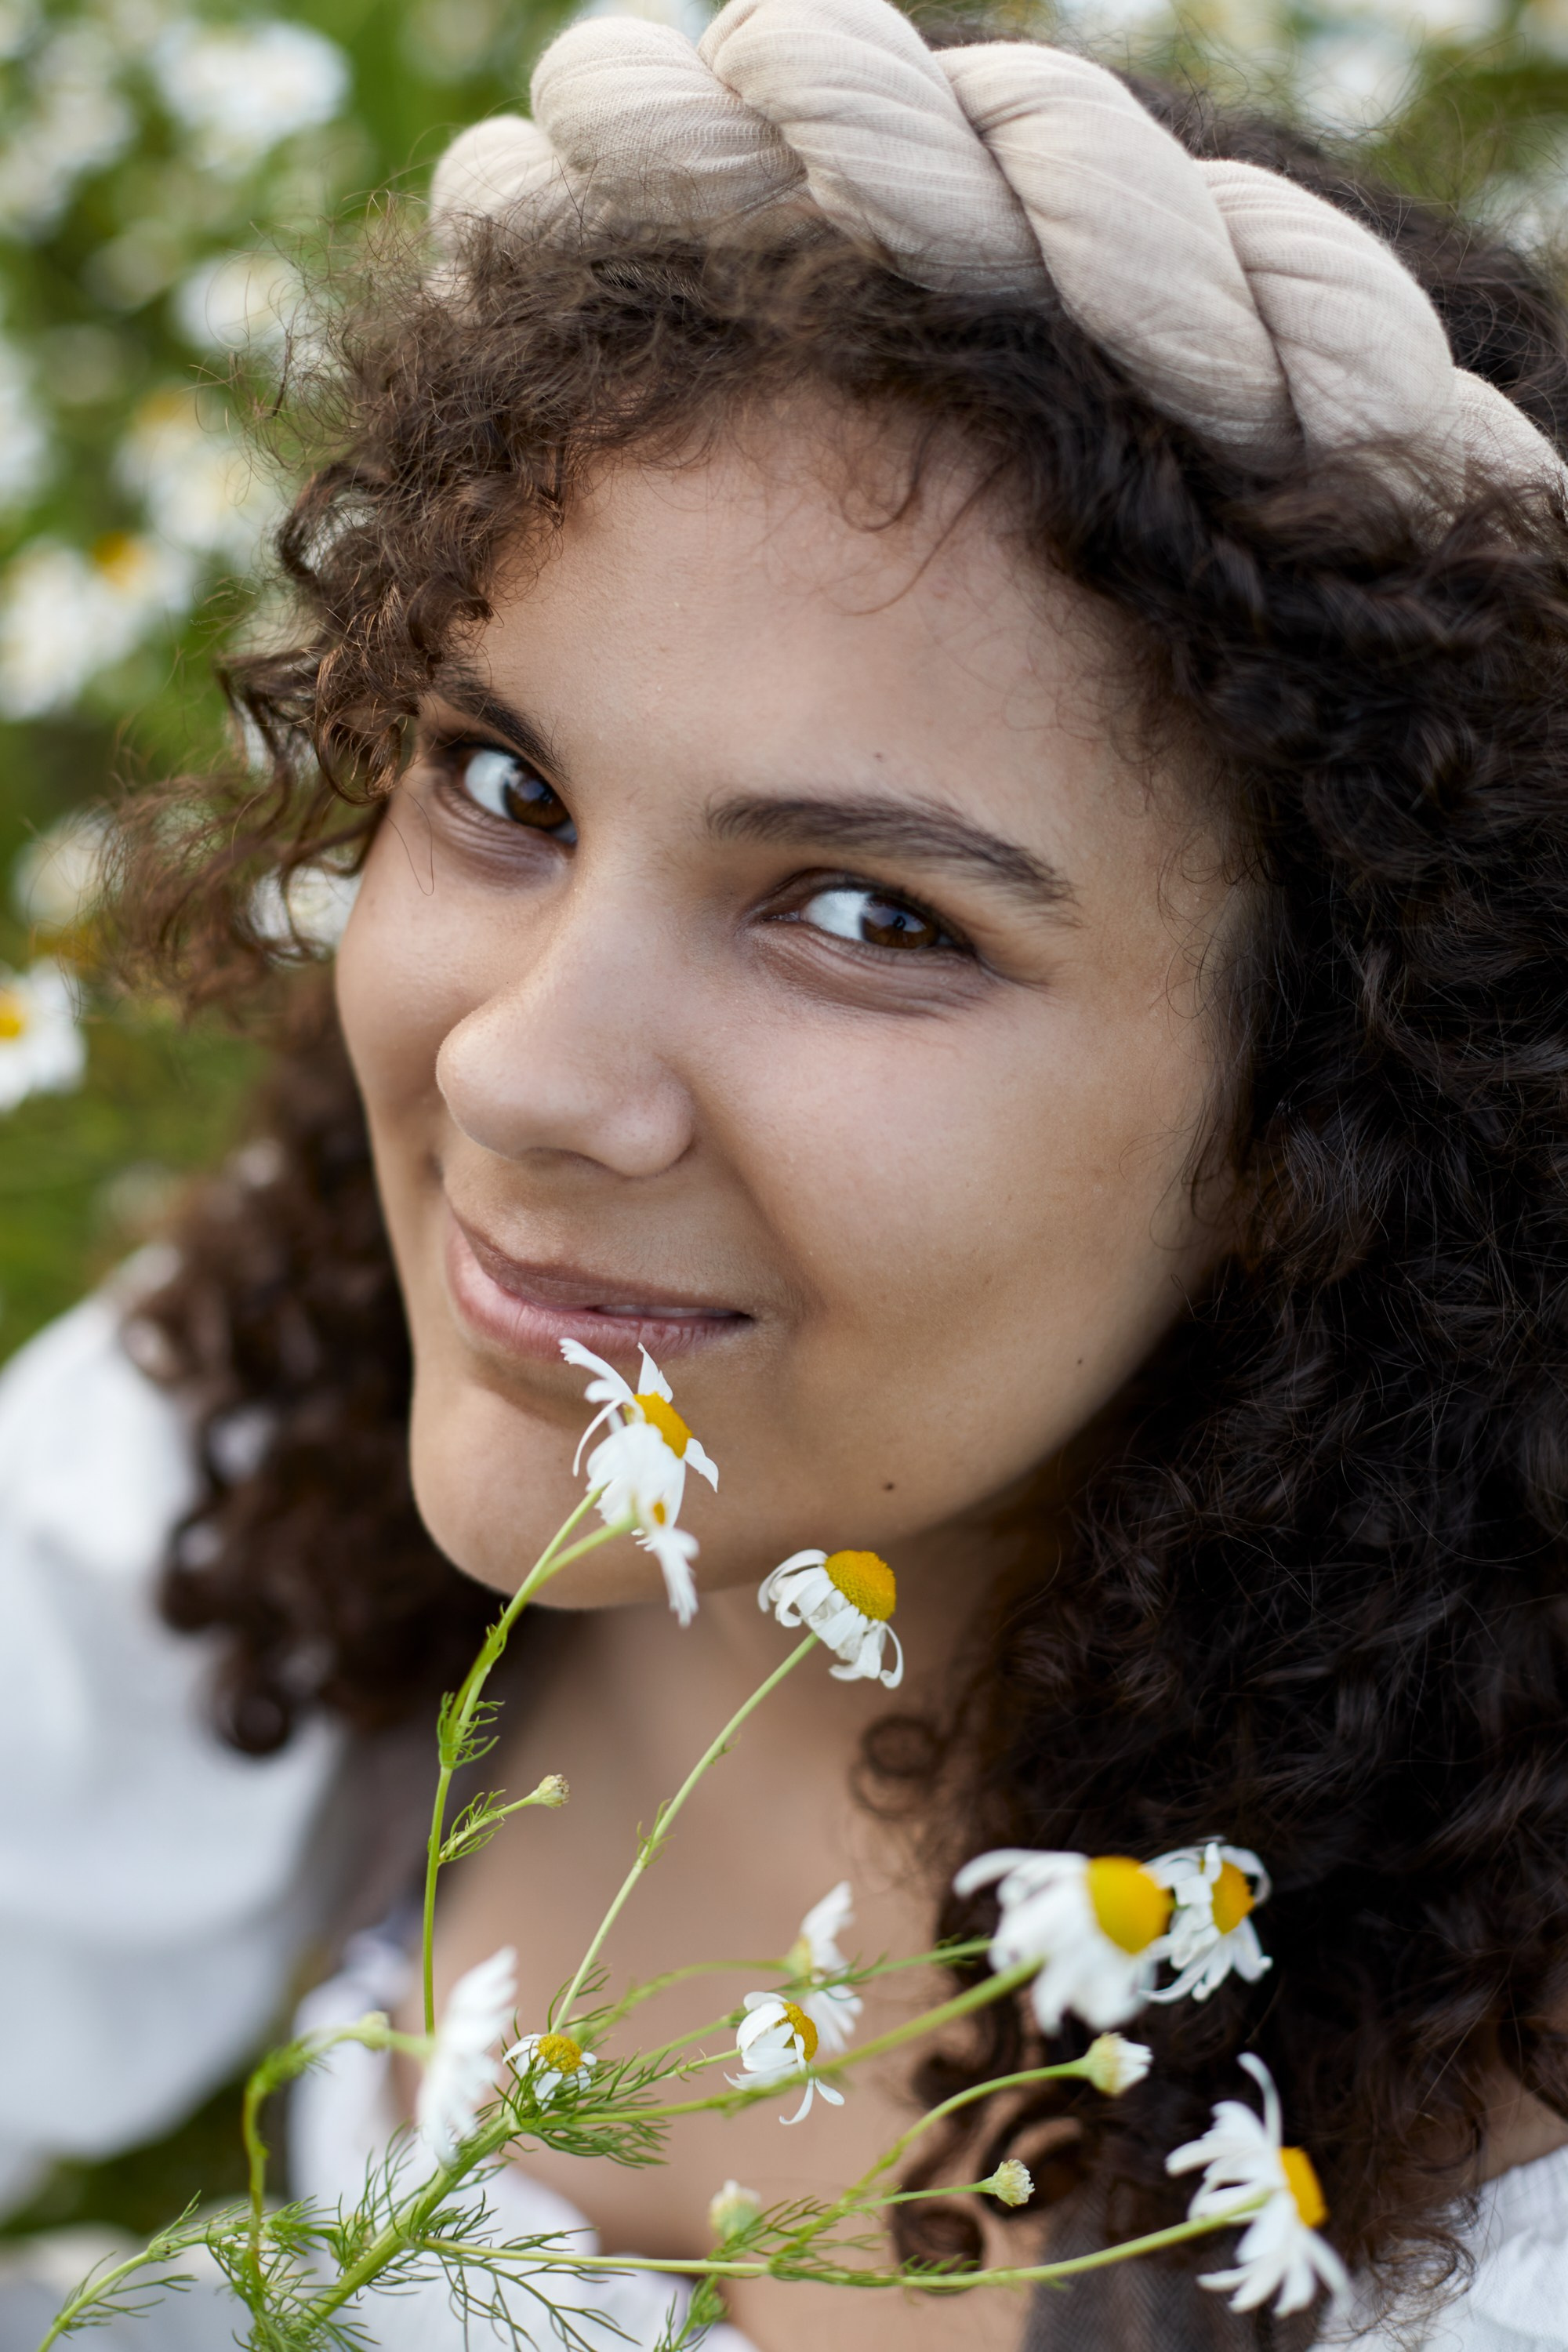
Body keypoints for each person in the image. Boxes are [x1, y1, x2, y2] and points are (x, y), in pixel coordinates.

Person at [5, 1, 1568, 2344]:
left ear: (1342, 1107)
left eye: (867, 916)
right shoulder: (290, 1411)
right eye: (503, 790)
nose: (523, 1084)